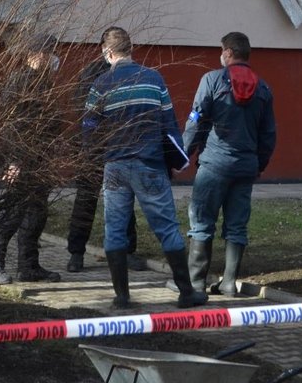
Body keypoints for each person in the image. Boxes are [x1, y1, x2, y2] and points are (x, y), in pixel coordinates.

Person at [81, 26, 206, 310]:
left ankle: (122, 297)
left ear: (108, 52)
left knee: (115, 229)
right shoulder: (154, 79)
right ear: (131, 49)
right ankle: (186, 293)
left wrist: (96, 155)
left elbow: (88, 127)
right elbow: (168, 125)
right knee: (166, 228)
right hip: (149, 164)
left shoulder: (100, 84)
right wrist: (176, 160)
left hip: (114, 166)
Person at [182, 31, 276, 298]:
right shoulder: (264, 88)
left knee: (201, 222)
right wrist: (259, 165)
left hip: (214, 164)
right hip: (245, 166)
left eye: (221, 51)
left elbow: (195, 120)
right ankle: (228, 283)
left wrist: (182, 153)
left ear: (228, 52)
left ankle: (196, 284)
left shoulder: (212, 80)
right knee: (236, 226)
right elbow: (269, 134)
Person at [0, 40, 62, 286]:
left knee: (36, 214)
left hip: (38, 159)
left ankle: (29, 266)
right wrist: (15, 161)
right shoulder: (22, 81)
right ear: (38, 54)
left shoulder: (42, 82)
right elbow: (14, 125)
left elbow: (45, 121)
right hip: (21, 159)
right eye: (51, 53)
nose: (55, 59)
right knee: (11, 212)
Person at [65, 40, 146, 274]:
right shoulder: (93, 73)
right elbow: (85, 112)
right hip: (98, 146)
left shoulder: (128, 72)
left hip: (115, 145)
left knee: (121, 200)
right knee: (87, 200)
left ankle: (125, 250)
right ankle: (77, 252)